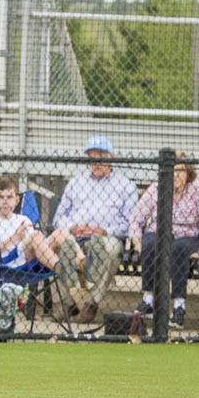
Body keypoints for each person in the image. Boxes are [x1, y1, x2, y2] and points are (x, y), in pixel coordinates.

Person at [49, 135, 138, 323]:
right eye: (92, 156)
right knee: (62, 245)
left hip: (106, 237)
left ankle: (91, 302)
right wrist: (72, 227)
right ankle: (71, 301)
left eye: (101, 156)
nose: (96, 162)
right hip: (76, 236)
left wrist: (103, 230)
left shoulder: (126, 185)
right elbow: (59, 217)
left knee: (112, 249)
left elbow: (131, 223)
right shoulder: (76, 182)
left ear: (111, 158)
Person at [128, 152, 199, 329]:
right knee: (150, 242)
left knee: (178, 249)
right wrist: (136, 241)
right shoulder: (156, 188)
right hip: (159, 232)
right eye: (173, 170)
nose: (176, 174)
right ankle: (148, 300)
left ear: (188, 173)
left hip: (187, 236)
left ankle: (179, 307)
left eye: (181, 170)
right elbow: (135, 218)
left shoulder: (197, 190)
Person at [0, 175, 61, 273]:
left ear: (17, 200)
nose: (5, 201)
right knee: (35, 236)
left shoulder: (24, 220)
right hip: (2, 266)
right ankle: (62, 271)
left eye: (9, 197)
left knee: (60, 234)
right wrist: (14, 238)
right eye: (1, 197)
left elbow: (35, 249)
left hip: (27, 263)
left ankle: (80, 266)